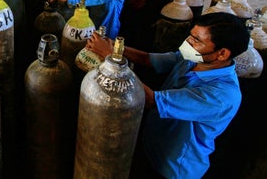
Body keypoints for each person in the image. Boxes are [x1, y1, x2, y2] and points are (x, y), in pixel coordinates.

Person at [86, 12, 250, 179]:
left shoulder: (222, 96)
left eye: (196, 40)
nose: (188, 42)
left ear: (222, 54)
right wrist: (115, 47)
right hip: (151, 143)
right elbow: (149, 59)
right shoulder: (193, 58)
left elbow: (150, 100)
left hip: (172, 166)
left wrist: (112, 58)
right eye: (190, 35)